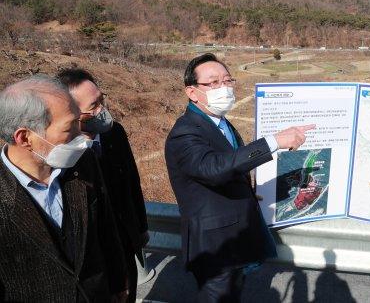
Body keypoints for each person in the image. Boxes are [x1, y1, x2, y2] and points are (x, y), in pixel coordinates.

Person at [165, 53, 315, 303]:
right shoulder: (185, 133)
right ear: (192, 92)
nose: (223, 88)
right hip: (215, 248)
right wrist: (274, 141)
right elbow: (214, 168)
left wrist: (245, 191)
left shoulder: (219, 123)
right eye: (212, 83)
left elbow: (227, 170)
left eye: (227, 80)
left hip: (233, 240)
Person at [0, 75, 128, 302]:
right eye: (70, 129)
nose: (82, 138)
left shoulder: (83, 163)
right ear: (25, 137)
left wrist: (118, 283)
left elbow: (106, 229)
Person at [57, 68, 149, 303]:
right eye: (93, 107)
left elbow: (131, 180)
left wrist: (140, 227)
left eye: (102, 101)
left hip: (124, 240)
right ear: (71, 112)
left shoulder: (114, 133)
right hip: (91, 256)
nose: (102, 111)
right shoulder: (60, 154)